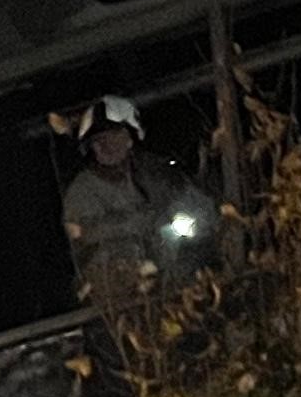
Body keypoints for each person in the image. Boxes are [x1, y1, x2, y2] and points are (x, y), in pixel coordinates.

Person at [55, 94, 214, 316]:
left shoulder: (156, 173)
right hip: (117, 303)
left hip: (176, 291)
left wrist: (190, 223)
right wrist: (143, 221)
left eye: (113, 135)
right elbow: (83, 234)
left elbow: (200, 210)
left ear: (130, 137)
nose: (106, 146)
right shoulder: (83, 192)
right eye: (98, 140)